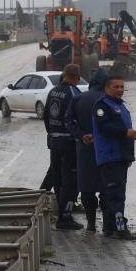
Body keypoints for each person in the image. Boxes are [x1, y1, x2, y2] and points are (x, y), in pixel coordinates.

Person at [92, 75, 136, 240]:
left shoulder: (120, 106)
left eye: (122, 87)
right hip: (110, 157)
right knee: (116, 195)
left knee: (111, 194)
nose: (120, 89)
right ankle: (121, 229)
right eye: (116, 87)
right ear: (107, 88)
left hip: (121, 157)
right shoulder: (102, 106)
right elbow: (104, 127)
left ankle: (109, 227)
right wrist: (126, 133)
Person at [66, 68, 109, 233]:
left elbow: (68, 120)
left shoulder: (78, 98)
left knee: (87, 187)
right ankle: (106, 224)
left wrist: (81, 135)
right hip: (106, 152)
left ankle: (91, 224)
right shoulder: (109, 100)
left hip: (84, 150)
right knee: (106, 187)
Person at [43, 64, 83, 229]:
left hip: (54, 140)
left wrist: (51, 133)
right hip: (68, 142)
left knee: (57, 177)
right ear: (78, 77)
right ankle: (65, 217)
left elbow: (46, 116)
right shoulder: (74, 93)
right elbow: (78, 119)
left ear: (64, 75)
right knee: (70, 180)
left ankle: (58, 211)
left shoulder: (53, 91)